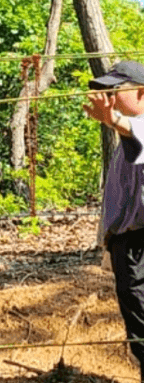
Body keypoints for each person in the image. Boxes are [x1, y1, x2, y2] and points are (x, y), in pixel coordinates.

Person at [84, 59, 144, 381]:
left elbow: (138, 131)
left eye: (115, 90)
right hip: (127, 243)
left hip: (139, 243)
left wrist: (114, 119)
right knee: (136, 320)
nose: (108, 98)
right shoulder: (125, 141)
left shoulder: (137, 128)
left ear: (142, 92)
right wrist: (109, 243)